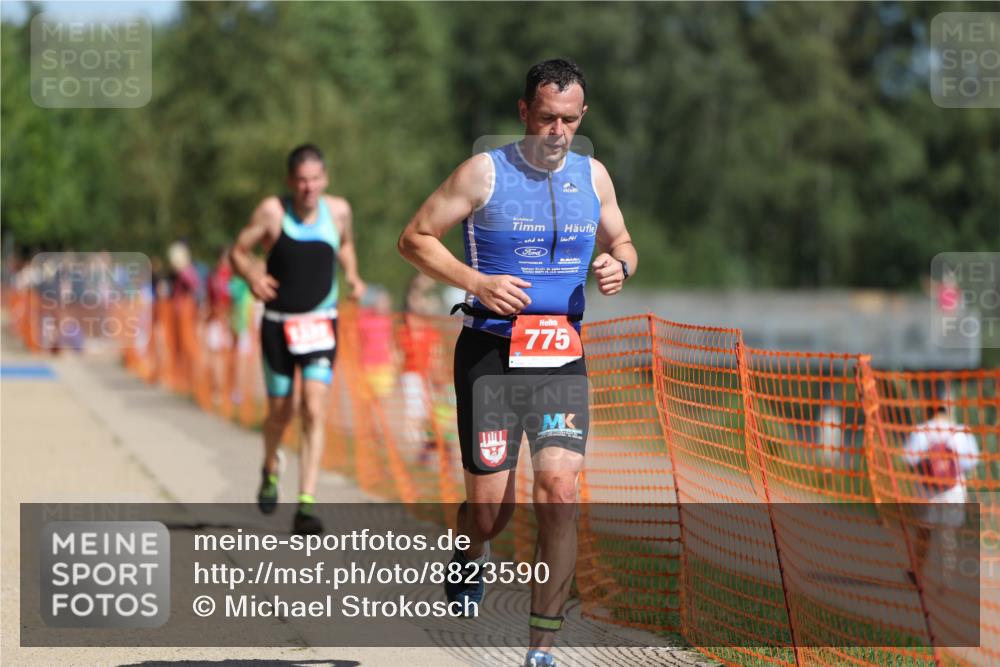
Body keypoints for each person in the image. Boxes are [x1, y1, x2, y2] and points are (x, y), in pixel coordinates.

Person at [398, 59, 636, 667]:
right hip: (492, 355)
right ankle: (468, 551)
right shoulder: (484, 172)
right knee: (491, 511)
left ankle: (541, 650)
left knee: (559, 490)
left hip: (560, 354)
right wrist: (476, 281)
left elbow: (623, 241)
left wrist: (622, 264)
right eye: (547, 118)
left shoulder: (595, 176)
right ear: (524, 111)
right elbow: (416, 238)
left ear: (582, 117)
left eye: (570, 119)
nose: (557, 131)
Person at [231, 144, 365, 535]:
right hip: (278, 323)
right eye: (301, 180)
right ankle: (270, 465)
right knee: (280, 412)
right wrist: (252, 275)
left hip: (320, 322)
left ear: (325, 179)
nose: (309, 187)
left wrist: (353, 275)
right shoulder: (273, 212)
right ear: (291, 181)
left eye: (315, 179)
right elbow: (238, 251)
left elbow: (346, 245)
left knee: (314, 406)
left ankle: (306, 504)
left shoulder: (338, 211)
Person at [902, 383, 979, 586]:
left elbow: (909, 459)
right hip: (954, 490)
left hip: (926, 490)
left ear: (929, 409)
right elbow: (970, 463)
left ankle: (917, 572)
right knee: (949, 535)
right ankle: (947, 578)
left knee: (923, 531)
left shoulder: (922, 430)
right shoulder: (961, 432)